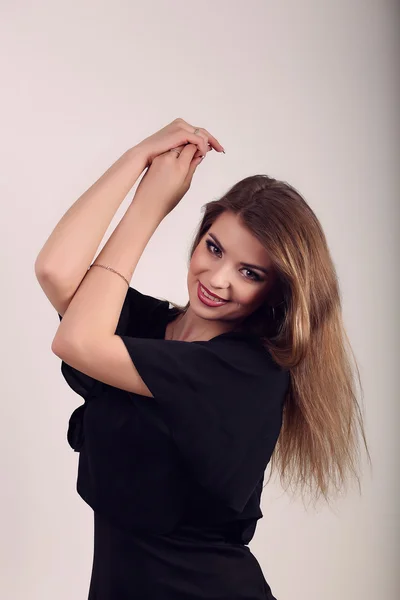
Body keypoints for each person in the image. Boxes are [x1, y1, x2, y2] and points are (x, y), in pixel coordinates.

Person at [35, 118, 371, 600]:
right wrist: (139, 160)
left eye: (249, 272)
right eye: (213, 248)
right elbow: (55, 270)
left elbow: (78, 342)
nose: (216, 279)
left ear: (276, 291)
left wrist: (150, 207)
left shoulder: (244, 372)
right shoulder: (153, 331)